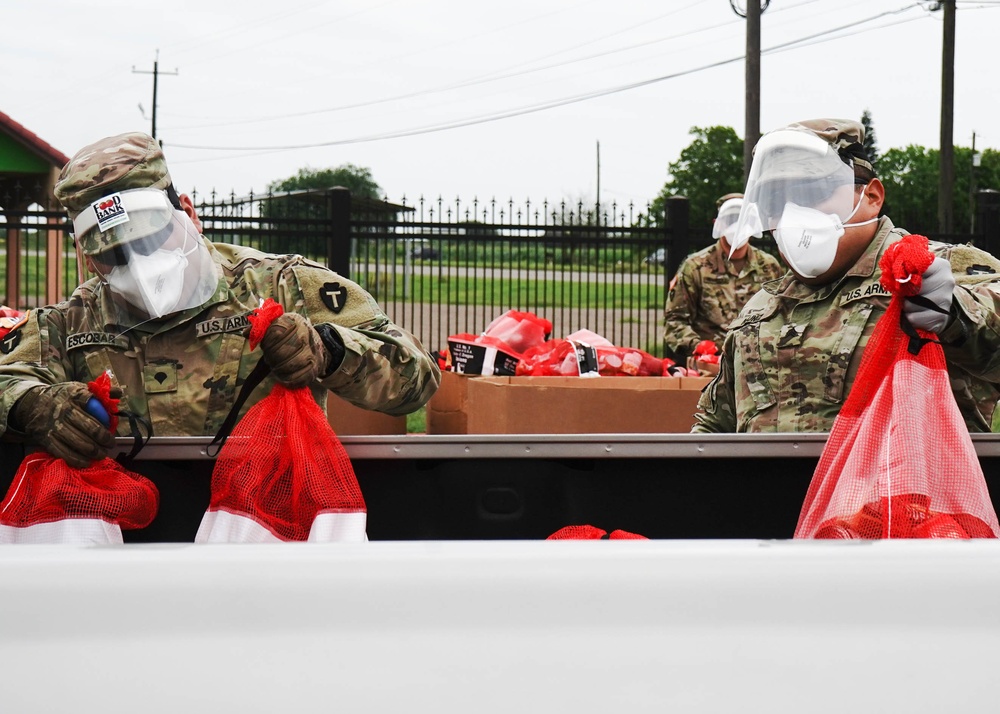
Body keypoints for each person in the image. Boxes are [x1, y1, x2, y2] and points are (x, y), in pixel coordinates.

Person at [0, 131, 441, 467]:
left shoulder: (283, 287)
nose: (139, 265)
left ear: (189, 213)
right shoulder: (71, 322)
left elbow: (416, 379)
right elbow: (9, 376)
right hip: (128, 539)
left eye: (152, 238)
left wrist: (328, 350)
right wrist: (30, 406)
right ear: (88, 255)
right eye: (114, 254)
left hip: (266, 526)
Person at [693, 117, 1000, 433]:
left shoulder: (935, 270)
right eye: (777, 203)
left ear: (872, 197)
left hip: (902, 482)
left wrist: (955, 316)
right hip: (769, 484)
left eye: (812, 195)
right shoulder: (761, 308)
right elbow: (715, 423)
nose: (791, 215)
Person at [662, 192, 785, 364]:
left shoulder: (769, 266)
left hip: (759, 364)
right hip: (710, 366)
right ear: (717, 224)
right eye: (730, 220)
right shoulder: (695, 266)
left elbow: (785, 314)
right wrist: (698, 346)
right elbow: (675, 319)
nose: (737, 226)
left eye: (743, 220)